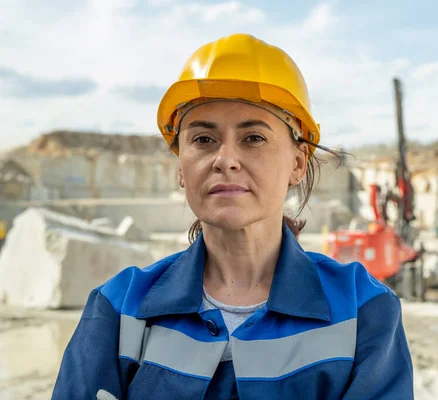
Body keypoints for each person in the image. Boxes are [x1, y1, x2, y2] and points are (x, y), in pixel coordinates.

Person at [52, 33, 414, 400]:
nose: (225, 159)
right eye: (203, 140)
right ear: (181, 167)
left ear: (298, 163)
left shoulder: (362, 309)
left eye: (254, 137)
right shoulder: (119, 308)